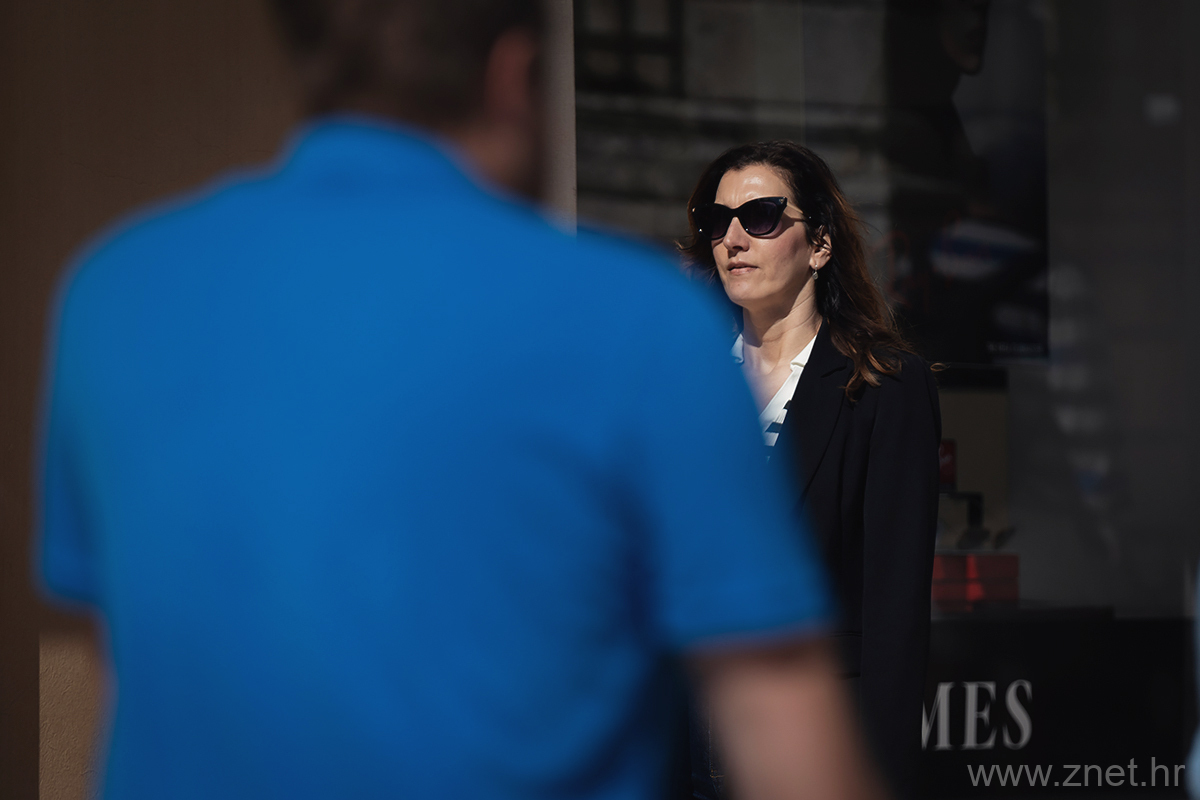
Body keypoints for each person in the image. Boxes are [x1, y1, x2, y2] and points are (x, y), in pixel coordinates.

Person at [37, 2, 884, 799]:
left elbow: (130, 671)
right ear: (514, 74)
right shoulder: (640, 324)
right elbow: (783, 737)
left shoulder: (115, 297)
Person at [679, 141, 942, 800]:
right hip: (680, 742)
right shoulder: (683, 380)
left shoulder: (884, 386)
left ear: (820, 244)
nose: (733, 238)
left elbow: (894, 613)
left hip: (813, 747)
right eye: (717, 221)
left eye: (761, 216)